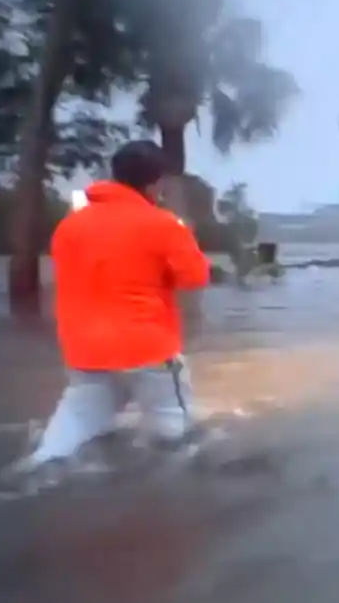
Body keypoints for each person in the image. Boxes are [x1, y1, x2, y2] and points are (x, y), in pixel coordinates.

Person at [21, 140, 211, 468]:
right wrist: (185, 237)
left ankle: (36, 469)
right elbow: (194, 278)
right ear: (157, 182)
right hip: (146, 348)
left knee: (71, 429)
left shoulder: (70, 226)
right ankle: (180, 492)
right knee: (175, 434)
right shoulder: (163, 224)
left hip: (84, 349)